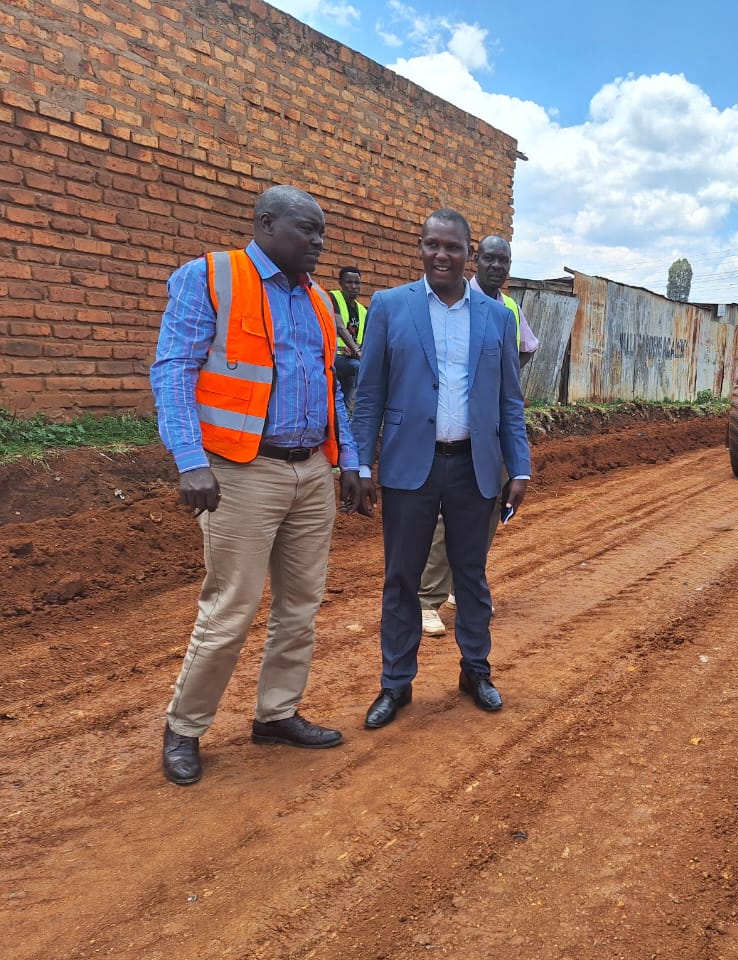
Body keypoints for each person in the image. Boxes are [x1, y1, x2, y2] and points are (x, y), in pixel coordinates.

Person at [150, 184, 366, 786]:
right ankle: (185, 727)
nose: (319, 243)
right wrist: (189, 458)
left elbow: (331, 389)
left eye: (322, 233)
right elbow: (173, 369)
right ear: (267, 224)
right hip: (241, 473)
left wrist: (347, 458)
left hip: (310, 472)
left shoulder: (320, 300)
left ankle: (276, 714)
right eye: (308, 231)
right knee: (231, 608)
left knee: (301, 606)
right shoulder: (211, 277)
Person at [351, 209, 531, 727]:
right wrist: (361, 462)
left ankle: (476, 671)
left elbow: (508, 401)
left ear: (468, 254)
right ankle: (396, 684)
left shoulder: (496, 316)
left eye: (452, 247)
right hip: (411, 466)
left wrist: (519, 467)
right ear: (421, 247)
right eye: (432, 245)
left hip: (475, 466)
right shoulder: (389, 307)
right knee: (402, 578)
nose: (441, 255)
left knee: (471, 577)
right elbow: (369, 398)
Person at [419, 235, 539, 636]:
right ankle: (427, 598)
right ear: (476, 260)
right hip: (451, 433)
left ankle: (460, 584)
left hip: (492, 432)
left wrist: (503, 373)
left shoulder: (508, 309)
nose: (497, 266)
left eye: (504, 260)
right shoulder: (457, 302)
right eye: (489, 258)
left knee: (488, 510)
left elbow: (527, 350)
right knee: (443, 520)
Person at [329, 266, 366, 413]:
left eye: (357, 283)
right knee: (360, 368)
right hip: (334, 358)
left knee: (342, 406)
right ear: (341, 283)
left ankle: (345, 423)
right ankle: (359, 409)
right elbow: (339, 327)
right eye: (349, 282)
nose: (353, 286)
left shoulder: (362, 310)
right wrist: (358, 352)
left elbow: (365, 337)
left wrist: (359, 350)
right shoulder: (333, 298)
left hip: (351, 359)